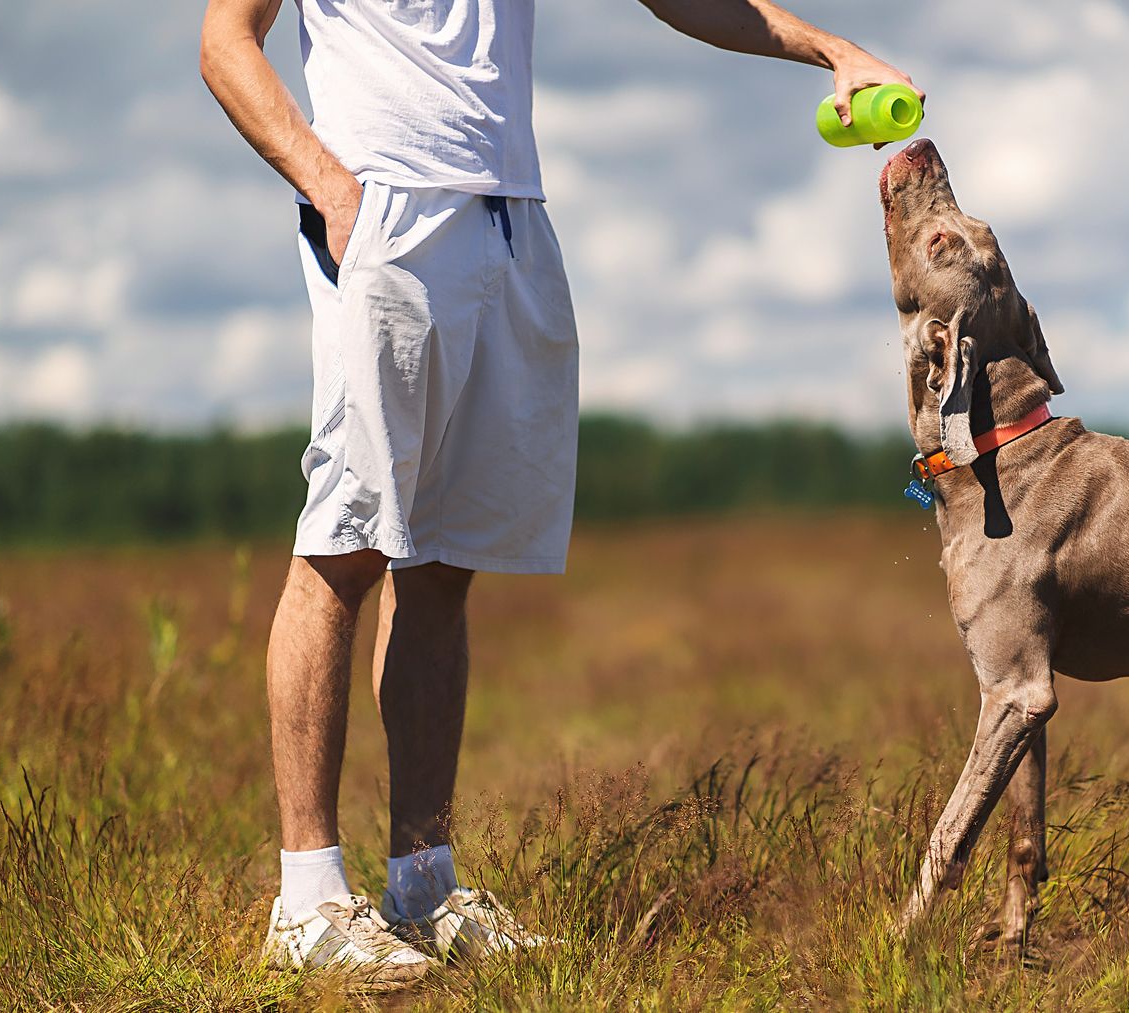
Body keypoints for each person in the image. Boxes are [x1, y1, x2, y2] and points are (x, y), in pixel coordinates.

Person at [199, 0, 919, 986]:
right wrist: (328, 182)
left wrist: (833, 49)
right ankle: (309, 898)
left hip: (509, 215)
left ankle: (421, 886)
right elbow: (224, 39)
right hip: (382, 201)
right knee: (345, 547)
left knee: (444, 562)